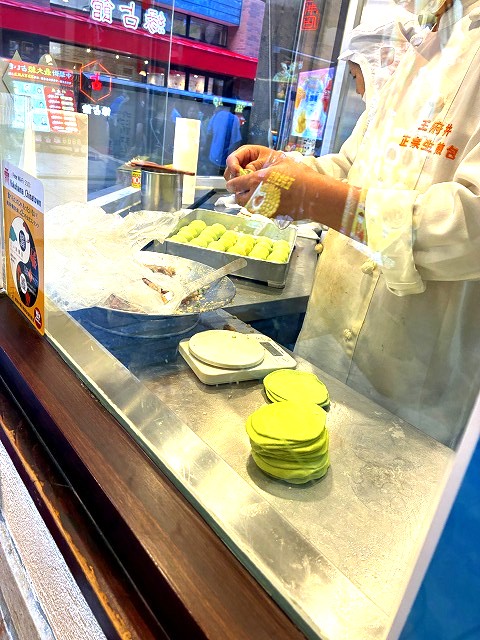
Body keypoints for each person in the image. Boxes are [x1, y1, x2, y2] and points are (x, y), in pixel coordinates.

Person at [224, 0, 480, 448]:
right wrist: (285, 168)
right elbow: (350, 166)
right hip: (326, 340)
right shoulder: (421, 53)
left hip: (412, 381)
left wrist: (319, 200)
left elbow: (468, 225)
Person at [206, 104, 242, 174]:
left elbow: (209, 134)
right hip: (225, 160)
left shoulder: (215, 116)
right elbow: (236, 141)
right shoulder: (234, 118)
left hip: (212, 157)